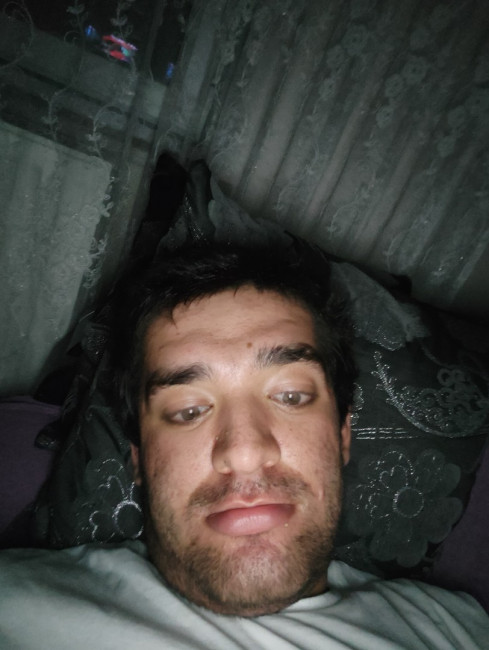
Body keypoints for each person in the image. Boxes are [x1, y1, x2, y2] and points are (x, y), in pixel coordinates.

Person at [0, 242, 487, 648]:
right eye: (188, 411)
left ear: (342, 435)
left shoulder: (455, 627)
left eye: (291, 396)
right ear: (139, 460)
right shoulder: (18, 605)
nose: (245, 452)